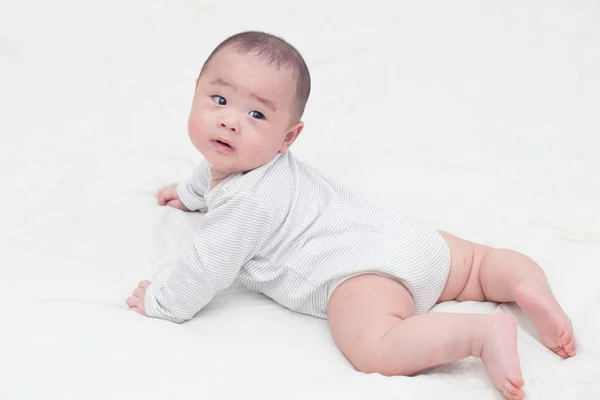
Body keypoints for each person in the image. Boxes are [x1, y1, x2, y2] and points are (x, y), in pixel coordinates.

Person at [126, 31, 576, 400]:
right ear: (195, 95)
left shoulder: (246, 204)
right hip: (410, 239)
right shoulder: (239, 163)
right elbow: (213, 170)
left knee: (373, 347)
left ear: (288, 138)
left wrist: (162, 303)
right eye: (219, 101)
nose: (229, 122)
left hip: (362, 275)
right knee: (482, 263)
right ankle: (527, 285)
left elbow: (205, 268)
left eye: (257, 113)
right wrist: (190, 193)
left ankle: (479, 335)